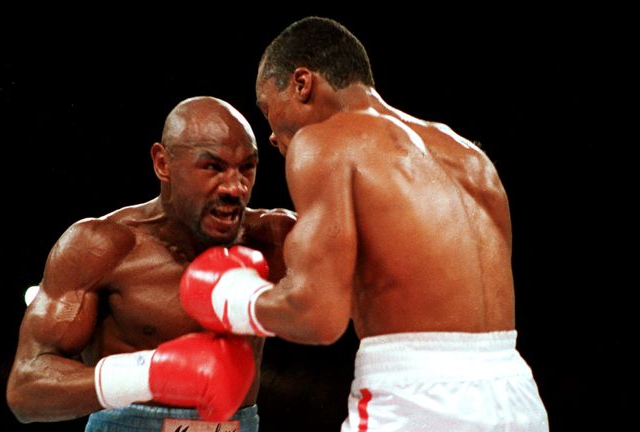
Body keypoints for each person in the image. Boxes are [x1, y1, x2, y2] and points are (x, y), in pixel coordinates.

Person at [178, 17, 549, 431]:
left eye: (267, 110)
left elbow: (319, 317)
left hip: (417, 398)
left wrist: (231, 299)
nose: (271, 135)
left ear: (302, 83)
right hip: (516, 394)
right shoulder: (469, 157)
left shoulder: (324, 143)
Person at [6, 96, 296, 432]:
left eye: (247, 167)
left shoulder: (274, 240)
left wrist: (310, 148)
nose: (236, 187)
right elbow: (26, 390)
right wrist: (149, 374)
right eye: (213, 167)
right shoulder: (102, 247)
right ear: (163, 163)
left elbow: (365, 274)